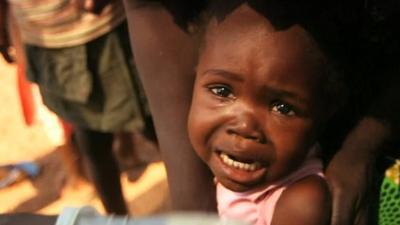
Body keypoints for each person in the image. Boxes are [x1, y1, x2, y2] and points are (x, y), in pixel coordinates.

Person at [0, 0, 151, 215]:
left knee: (152, 125)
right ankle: (117, 217)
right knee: (93, 143)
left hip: (105, 28)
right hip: (47, 38)